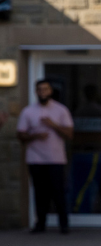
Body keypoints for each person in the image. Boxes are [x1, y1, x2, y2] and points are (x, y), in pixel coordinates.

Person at [16, 80, 73, 234]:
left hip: (56, 158)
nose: (42, 92)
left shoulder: (61, 110)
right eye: (39, 90)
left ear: (50, 91)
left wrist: (53, 125)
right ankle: (40, 224)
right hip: (35, 158)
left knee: (58, 192)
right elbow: (20, 135)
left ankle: (64, 224)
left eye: (45, 89)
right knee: (40, 193)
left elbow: (69, 134)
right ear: (36, 92)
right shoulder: (28, 111)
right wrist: (34, 136)